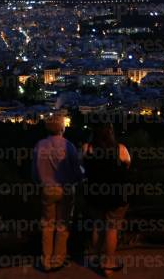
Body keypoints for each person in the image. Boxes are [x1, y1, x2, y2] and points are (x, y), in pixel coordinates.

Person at [32, 115, 83, 272]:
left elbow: (34, 172)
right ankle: (58, 259)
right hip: (66, 189)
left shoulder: (39, 145)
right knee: (62, 225)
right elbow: (77, 171)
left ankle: (46, 260)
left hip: (47, 189)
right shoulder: (68, 146)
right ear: (61, 128)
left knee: (47, 225)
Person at [82, 123, 131, 277]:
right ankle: (109, 264)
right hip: (115, 195)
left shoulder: (87, 148)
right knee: (112, 229)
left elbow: (82, 166)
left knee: (98, 226)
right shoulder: (120, 149)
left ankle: (96, 259)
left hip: (95, 194)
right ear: (111, 133)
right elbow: (128, 165)